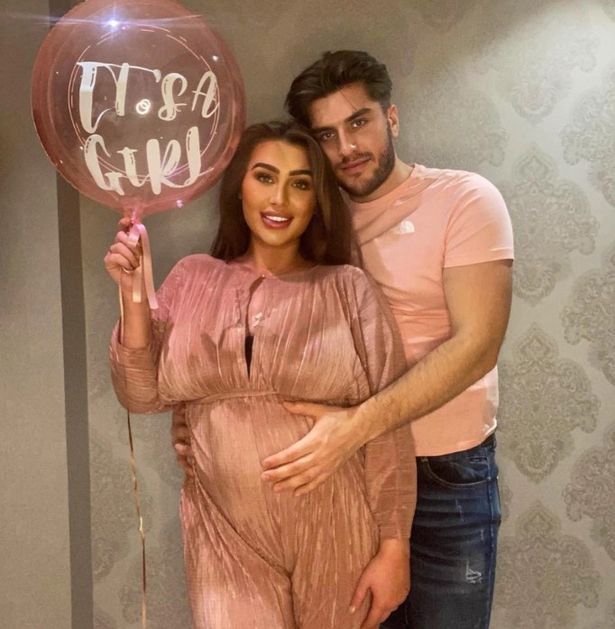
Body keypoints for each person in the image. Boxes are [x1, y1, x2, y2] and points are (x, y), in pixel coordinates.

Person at [173, 50, 514, 629]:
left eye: (359, 122)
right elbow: (242, 328)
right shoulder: (306, 218)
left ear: (392, 117)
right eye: (326, 135)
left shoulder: (463, 199)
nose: (347, 148)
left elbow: (478, 344)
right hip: (339, 483)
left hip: (443, 474)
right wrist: (204, 421)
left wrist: (356, 425)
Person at [106, 121, 416, 629]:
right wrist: (134, 293)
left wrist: (394, 547)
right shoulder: (193, 277)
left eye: (300, 183)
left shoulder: (348, 288)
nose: (280, 199)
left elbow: (388, 427)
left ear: (317, 200)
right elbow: (140, 394)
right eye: (265, 177)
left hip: (337, 527)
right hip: (224, 534)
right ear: (239, 188)